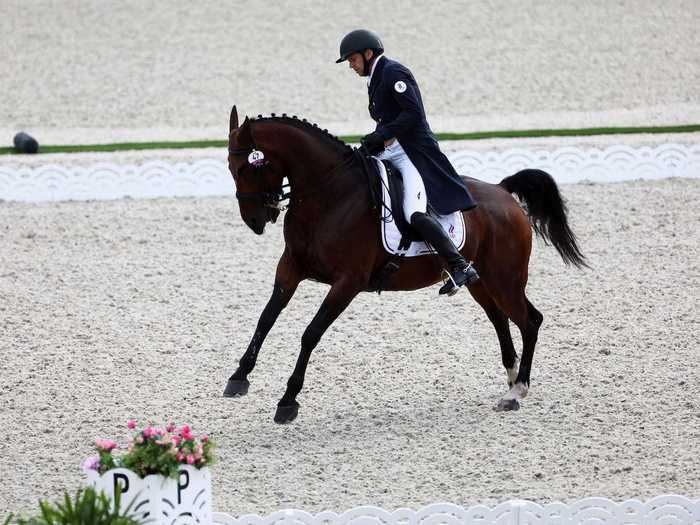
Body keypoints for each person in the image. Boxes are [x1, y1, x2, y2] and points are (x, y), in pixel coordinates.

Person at [336, 29, 480, 295]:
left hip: (412, 154)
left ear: (368, 54)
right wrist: (375, 142)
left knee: (413, 212)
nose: (351, 66)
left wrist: (381, 134)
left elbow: (413, 114)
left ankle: (460, 265)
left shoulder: (393, 73)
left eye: (352, 60)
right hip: (391, 150)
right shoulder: (374, 79)